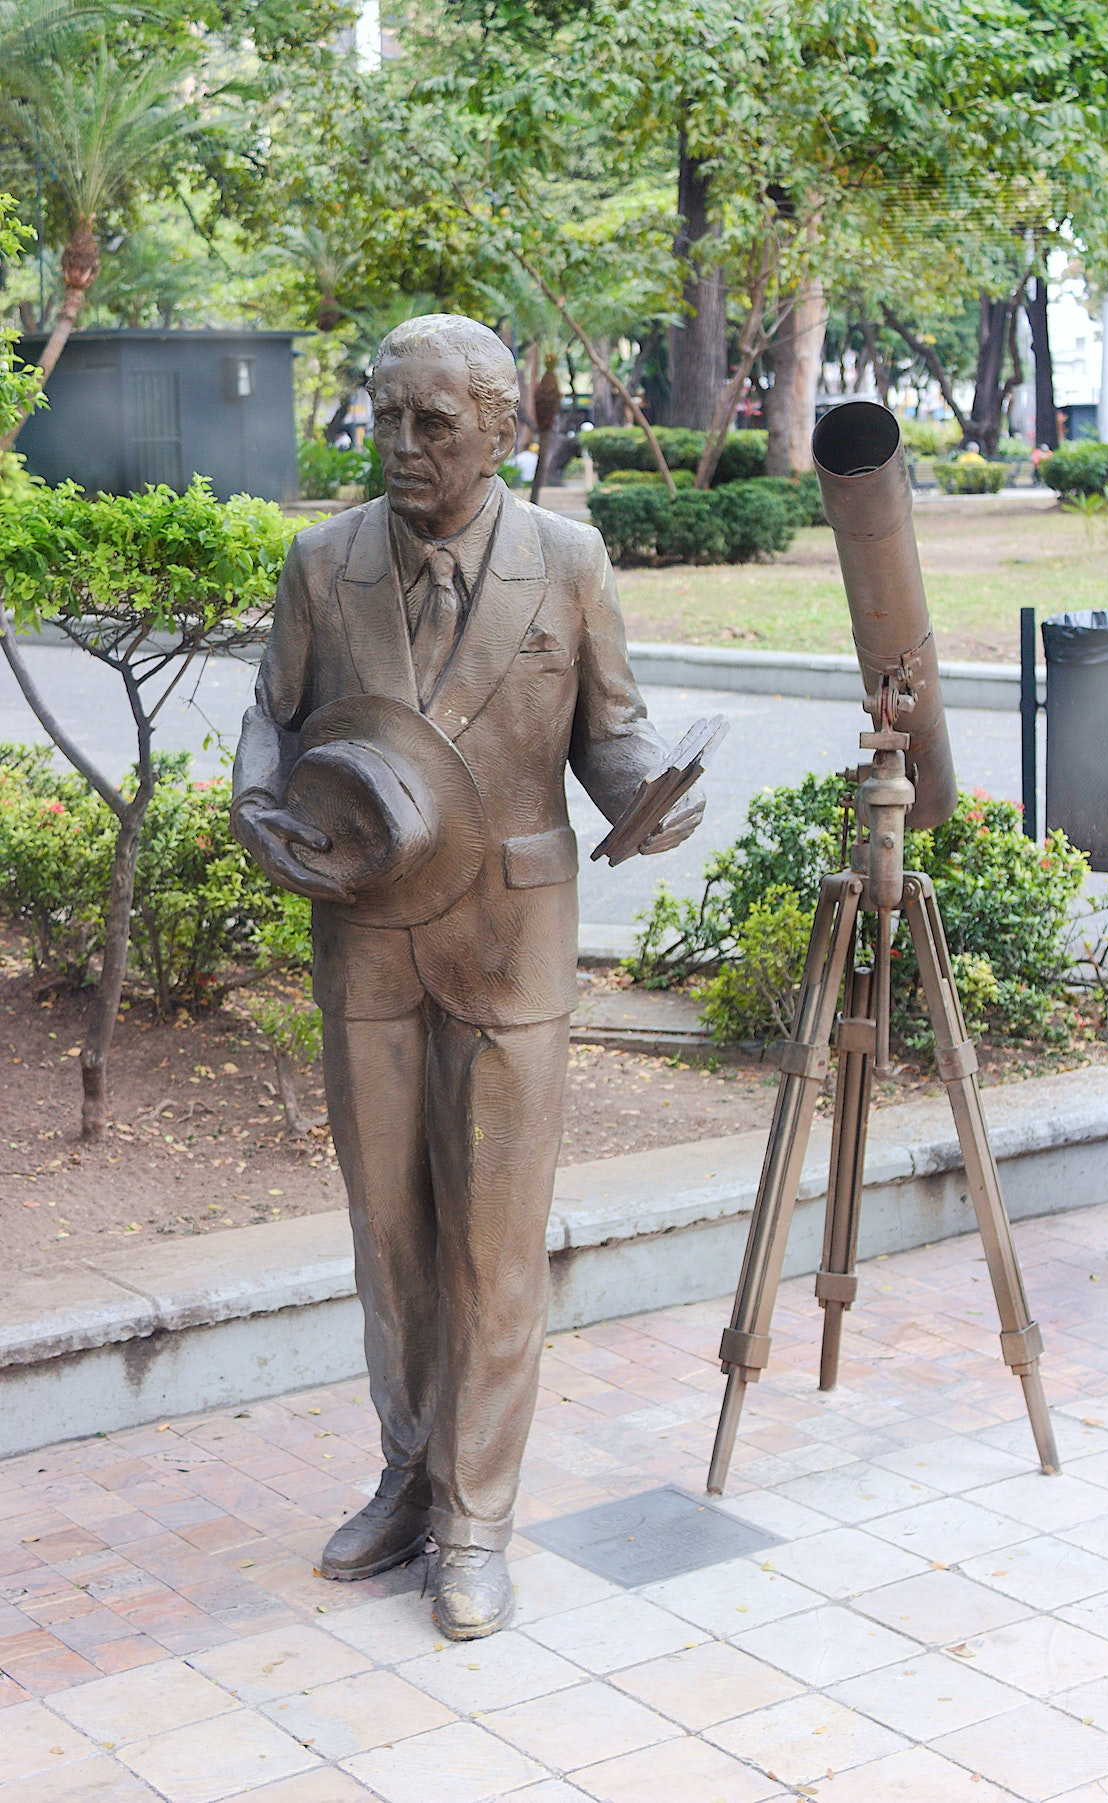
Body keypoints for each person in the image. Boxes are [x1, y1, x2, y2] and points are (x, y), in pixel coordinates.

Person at [230, 314, 702, 1640]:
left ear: (506, 427)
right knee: (388, 1237)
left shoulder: (570, 562)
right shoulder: (322, 564)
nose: (400, 445)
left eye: (432, 423)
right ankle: (407, 1471)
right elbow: (273, 715)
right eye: (385, 416)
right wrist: (256, 805)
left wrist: (646, 799)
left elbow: (614, 735)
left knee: (493, 1246)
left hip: (509, 946)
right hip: (366, 926)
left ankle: (476, 1520)